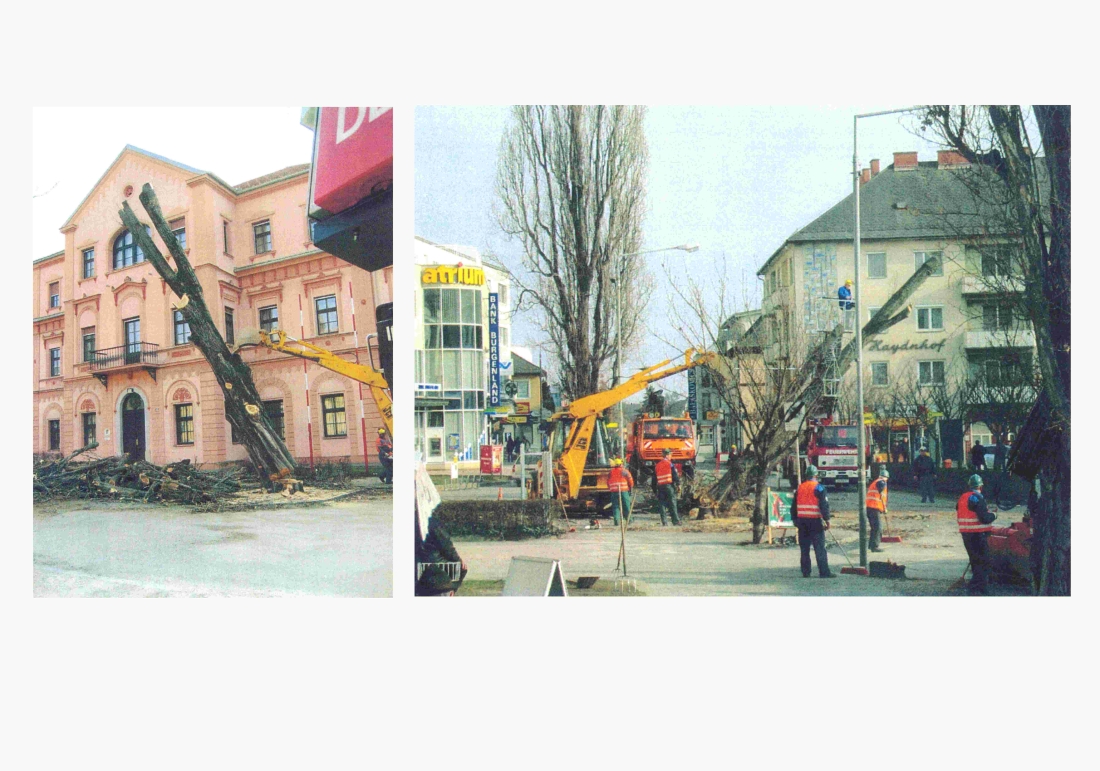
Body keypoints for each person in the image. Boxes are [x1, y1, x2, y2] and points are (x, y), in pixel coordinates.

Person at [790, 465, 836, 578]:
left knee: (804, 549)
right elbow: (823, 505)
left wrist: (794, 519)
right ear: (816, 475)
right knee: (819, 548)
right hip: (815, 521)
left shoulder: (800, 488)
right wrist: (827, 520)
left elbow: (793, 507)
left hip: (802, 522)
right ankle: (824, 572)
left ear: (806, 475)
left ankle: (806, 572)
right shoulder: (819, 488)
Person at [957, 474, 996, 595]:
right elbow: (984, 518)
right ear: (981, 486)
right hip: (977, 534)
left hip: (966, 534)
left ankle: (977, 588)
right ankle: (978, 588)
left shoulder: (963, 497)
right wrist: (993, 515)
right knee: (984, 561)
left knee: (975, 561)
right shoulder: (977, 498)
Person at [653, 448, 681, 526]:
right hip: (669, 486)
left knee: (662, 504)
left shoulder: (657, 465)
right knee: (672, 503)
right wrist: (678, 484)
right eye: (670, 455)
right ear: (668, 455)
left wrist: (655, 490)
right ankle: (675, 521)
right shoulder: (670, 464)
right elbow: (674, 475)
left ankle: (664, 522)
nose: (671, 456)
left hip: (660, 487)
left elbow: (654, 479)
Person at [865, 467, 889, 552]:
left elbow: (881, 497)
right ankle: (874, 546)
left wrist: (883, 508)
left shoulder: (876, 482)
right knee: (878, 527)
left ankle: (871, 545)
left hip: (871, 508)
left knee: (874, 528)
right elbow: (881, 486)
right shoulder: (881, 482)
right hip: (873, 508)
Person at [607, 457, 634, 527]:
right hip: (623, 491)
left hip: (614, 492)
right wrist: (630, 487)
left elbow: (608, 482)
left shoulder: (610, 472)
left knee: (616, 507)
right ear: (621, 464)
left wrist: (611, 489)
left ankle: (616, 521)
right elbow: (630, 481)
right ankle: (629, 520)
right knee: (626, 505)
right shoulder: (625, 471)